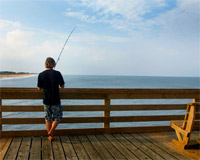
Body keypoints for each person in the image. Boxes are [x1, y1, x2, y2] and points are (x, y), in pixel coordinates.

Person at [37, 57, 65, 141]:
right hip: (55, 100)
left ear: (46, 64)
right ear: (54, 64)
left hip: (46, 100)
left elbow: (39, 88)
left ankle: (50, 136)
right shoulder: (57, 73)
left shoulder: (41, 74)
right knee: (58, 117)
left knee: (48, 118)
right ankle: (51, 131)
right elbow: (62, 86)